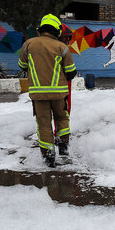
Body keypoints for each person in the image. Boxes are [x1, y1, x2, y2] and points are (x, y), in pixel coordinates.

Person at [18, 14, 77, 167]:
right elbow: (71, 72)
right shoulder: (62, 47)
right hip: (59, 94)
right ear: (57, 30)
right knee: (62, 118)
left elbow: (23, 66)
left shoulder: (28, 45)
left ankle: (49, 156)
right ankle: (63, 148)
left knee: (43, 123)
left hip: (39, 94)